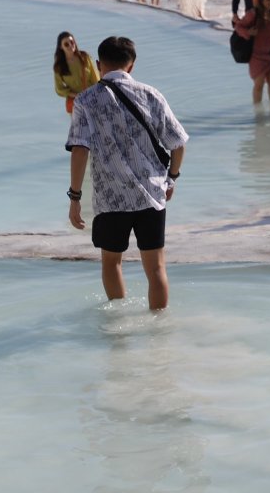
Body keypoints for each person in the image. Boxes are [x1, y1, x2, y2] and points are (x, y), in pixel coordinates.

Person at [67, 36, 189, 308]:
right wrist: (172, 178)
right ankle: (159, 335)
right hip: (151, 195)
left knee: (112, 263)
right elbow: (178, 143)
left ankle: (118, 336)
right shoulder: (151, 95)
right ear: (131, 66)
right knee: (156, 268)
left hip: (111, 198)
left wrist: (75, 197)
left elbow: (79, 150)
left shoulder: (86, 100)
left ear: (99, 65)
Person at [238, 0, 270, 105]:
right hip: (257, 56)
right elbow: (238, 26)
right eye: (268, 0)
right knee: (259, 85)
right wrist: (248, 32)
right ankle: (258, 114)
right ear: (261, 1)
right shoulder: (253, 14)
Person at [53, 32, 100, 116]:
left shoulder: (85, 57)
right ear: (61, 47)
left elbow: (95, 79)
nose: (71, 45)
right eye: (66, 44)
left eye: (72, 42)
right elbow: (59, 89)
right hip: (76, 104)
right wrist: (75, 95)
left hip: (91, 99)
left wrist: (96, 95)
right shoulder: (59, 66)